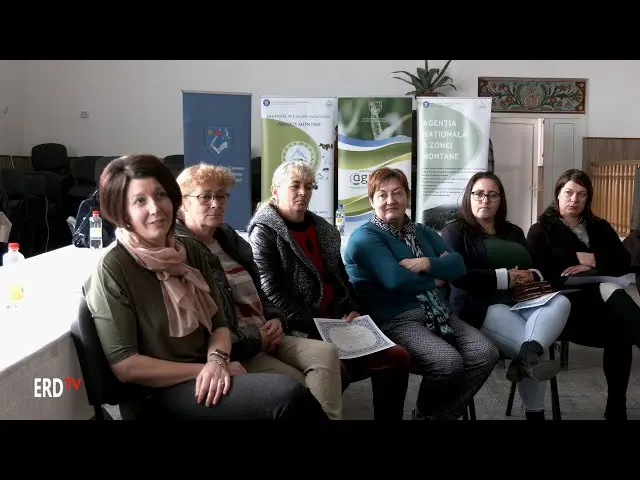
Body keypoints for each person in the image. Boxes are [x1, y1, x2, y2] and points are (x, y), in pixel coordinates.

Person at [82, 154, 328, 421]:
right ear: (122, 211)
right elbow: (126, 366)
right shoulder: (113, 267)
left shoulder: (188, 250)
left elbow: (219, 323)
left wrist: (216, 361)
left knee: (298, 392)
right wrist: (207, 368)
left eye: (161, 195)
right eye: (140, 201)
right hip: (156, 394)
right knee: (287, 394)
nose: (155, 208)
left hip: (209, 368)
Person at [174, 163, 343, 420]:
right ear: (183, 203)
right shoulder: (181, 251)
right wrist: (256, 338)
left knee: (326, 354)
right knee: (297, 384)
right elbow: (204, 325)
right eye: (205, 196)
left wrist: (275, 317)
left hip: (267, 331)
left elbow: (261, 290)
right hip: (237, 344)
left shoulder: (230, 239)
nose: (216, 203)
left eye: (221, 196)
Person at [247, 160, 411, 421]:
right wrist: (320, 327)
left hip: (339, 324)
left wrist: (354, 308)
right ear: (275, 190)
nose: (304, 192)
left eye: (309, 186)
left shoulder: (323, 230)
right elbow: (272, 294)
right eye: (295, 186)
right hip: (301, 329)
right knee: (338, 370)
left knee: (398, 357)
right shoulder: (264, 232)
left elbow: (342, 280)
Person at [343, 167, 498, 420]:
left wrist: (426, 264)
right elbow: (395, 279)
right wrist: (436, 278)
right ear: (372, 201)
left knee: (485, 353)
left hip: (438, 313)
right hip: (396, 319)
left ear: (407, 197)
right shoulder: (365, 237)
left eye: (397, 193)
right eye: (382, 195)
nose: (391, 200)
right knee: (448, 363)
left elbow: (458, 265)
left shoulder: (420, 231)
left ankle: (429, 416)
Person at [441, 172, 570, 420]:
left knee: (561, 301)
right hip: (484, 305)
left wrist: (531, 275)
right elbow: (459, 275)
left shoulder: (513, 231)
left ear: (501, 200)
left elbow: (537, 266)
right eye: (479, 194)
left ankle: (527, 353)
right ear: (469, 197)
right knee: (537, 347)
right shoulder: (455, 231)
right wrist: (504, 278)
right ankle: (535, 412)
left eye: (492, 195)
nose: (485, 200)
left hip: (524, 301)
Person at [527, 168, 640, 420]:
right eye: (568, 193)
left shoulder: (598, 226)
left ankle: (616, 408)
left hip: (601, 305)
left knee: (620, 331)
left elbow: (624, 260)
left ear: (588, 198)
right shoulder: (541, 230)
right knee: (619, 317)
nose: (574, 200)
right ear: (558, 194)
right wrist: (586, 261)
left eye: (581, 194)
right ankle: (616, 410)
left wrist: (591, 261)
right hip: (564, 308)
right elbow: (544, 272)